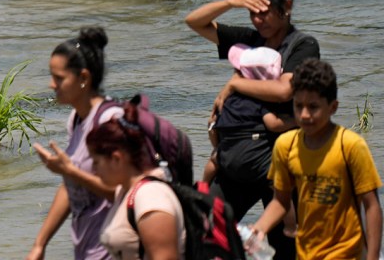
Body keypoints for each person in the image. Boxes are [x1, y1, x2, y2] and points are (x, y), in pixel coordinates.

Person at [184, 0, 319, 260]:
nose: (258, 20)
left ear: (287, 6)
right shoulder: (249, 39)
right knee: (202, 232)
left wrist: (234, 82)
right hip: (235, 157)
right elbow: (194, 21)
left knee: (285, 248)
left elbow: (285, 91)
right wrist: (233, 2)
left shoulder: (302, 45)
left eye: (265, 12)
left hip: (277, 160)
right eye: (252, 13)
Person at [251, 58, 382, 260]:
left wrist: (372, 257)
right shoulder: (286, 146)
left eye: (313, 107)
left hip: (347, 255)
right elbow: (281, 201)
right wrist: (260, 227)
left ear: (333, 107)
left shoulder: (351, 146)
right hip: (306, 254)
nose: (304, 115)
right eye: (298, 105)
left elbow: (371, 206)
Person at [28, 27, 121, 260]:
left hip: (114, 251)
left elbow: (124, 193)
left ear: (83, 78)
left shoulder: (110, 121)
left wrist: (70, 171)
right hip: (86, 248)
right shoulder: (76, 119)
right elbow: (70, 188)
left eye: (59, 78)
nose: (52, 84)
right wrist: (40, 244)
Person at [87, 112, 186, 260]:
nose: (93, 170)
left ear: (116, 159)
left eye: (96, 162)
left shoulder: (151, 196)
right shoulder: (125, 191)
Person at [202, 45, 289, 184]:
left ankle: (203, 186)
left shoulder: (226, 99)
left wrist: (218, 147)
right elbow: (273, 124)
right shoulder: (261, 99)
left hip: (226, 157)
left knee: (213, 160)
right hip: (254, 160)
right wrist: (296, 121)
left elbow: (211, 125)